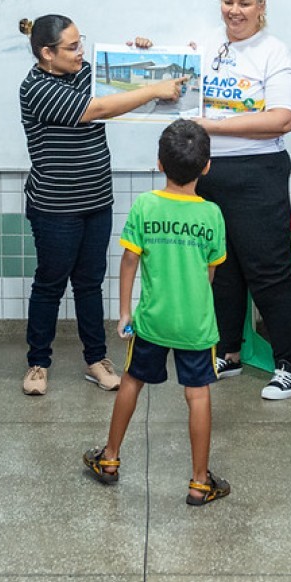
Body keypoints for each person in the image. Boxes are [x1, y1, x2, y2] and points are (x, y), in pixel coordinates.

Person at [17, 14, 185, 396]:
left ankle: (97, 359)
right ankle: (38, 363)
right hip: (55, 206)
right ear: (47, 53)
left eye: (81, 44)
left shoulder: (85, 72)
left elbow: (131, 81)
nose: (80, 52)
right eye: (72, 47)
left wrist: (142, 53)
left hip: (96, 200)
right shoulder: (36, 87)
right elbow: (100, 109)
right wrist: (153, 88)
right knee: (50, 283)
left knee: (90, 283)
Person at [82, 119, 230, 505]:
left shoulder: (146, 205)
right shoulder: (212, 214)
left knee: (131, 381)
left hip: (152, 320)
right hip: (196, 324)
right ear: (207, 166)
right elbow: (211, 270)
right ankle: (200, 482)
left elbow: (130, 261)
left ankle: (110, 458)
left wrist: (125, 312)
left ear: (160, 164)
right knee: (197, 395)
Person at [189, 0, 291, 400]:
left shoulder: (273, 51)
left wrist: (213, 126)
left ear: (260, 7)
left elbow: (283, 118)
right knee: (223, 271)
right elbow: (174, 80)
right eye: (228, 1)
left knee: (268, 272)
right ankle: (229, 353)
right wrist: (146, 49)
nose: (234, 11)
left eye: (244, 3)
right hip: (209, 172)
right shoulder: (206, 44)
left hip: (259, 172)